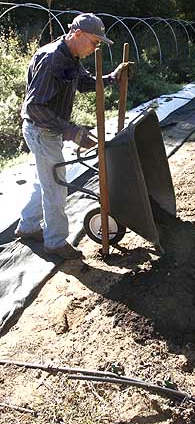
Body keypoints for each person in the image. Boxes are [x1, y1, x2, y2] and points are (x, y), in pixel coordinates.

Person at [15, 13, 129, 259]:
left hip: (48, 129)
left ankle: (27, 227)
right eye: (94, 42)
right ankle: (55, 242)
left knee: (45, 181)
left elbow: (84, 82)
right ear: (77, 35)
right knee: (56, 186)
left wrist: (111, 78)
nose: (95, 48)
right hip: (40, 130)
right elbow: (35, 107)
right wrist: (71, 131)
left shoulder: (71, 56)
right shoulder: (52, 59)